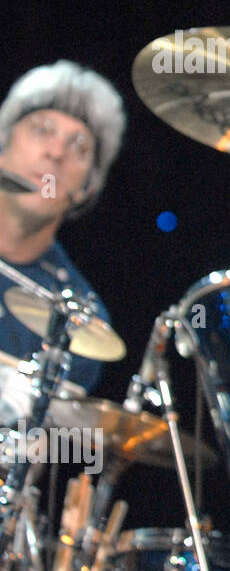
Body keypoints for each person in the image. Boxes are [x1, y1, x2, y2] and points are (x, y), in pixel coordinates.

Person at [0, 60, 125, 409]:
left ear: (87, 187)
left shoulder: (79, 318)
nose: (55, 153)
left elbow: (34, 456)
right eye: (42, 129)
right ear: (3, 142)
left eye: (79, 147)